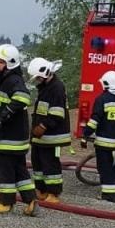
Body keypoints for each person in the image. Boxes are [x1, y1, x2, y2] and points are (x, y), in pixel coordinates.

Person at [0, 43, 37, 215]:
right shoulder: (10, 79)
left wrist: (6, 114)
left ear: (9, 63)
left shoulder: (12, 80)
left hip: (7, 139)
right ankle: (31, 200)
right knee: (19, 170)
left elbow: (23, 97)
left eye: (1, 62)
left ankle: (5, 203)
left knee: (3, 169)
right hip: (15, 139)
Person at [83, 69, 115, 204]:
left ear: (106, 84)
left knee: (105, 169)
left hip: (104, 144)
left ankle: (109, 196)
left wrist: (85, 135)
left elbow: (94, 120)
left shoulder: (103, 99)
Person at [28, 57, 70, 202]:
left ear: (45, 73)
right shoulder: (46, 87)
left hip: (51, 136)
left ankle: (54, 193)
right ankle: (42, 190)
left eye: (38, 77)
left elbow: (57, 113)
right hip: (41, 137)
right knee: (38, 163)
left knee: (50, 165)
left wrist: (43, 126)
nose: (37, 80)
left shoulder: (56, 87)